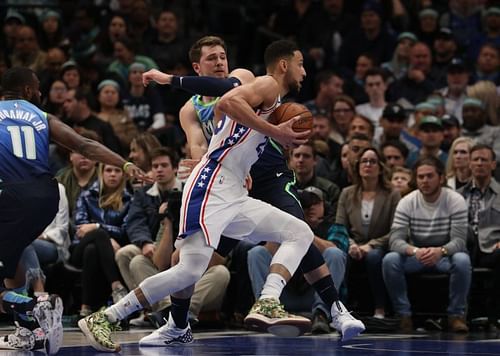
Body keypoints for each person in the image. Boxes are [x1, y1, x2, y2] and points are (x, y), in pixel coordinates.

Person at [78, 39, 364, 353]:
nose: (305, 71)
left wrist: (245, 160)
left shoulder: (261, 95)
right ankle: (110, 317)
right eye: (300, 64)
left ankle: (266, 301)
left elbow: (225, 117)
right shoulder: (265, 84)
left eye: (223, 56)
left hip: (232, 188)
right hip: (212, 185)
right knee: (189, 268)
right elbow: (227, 105)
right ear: (285, 65)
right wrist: (275, 132)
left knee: (297, 231)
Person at [153, 35, 362, 342]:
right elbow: (197, 147)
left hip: (268, 173)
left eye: (223, 55)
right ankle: (177, 324)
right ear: (197, 66)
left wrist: (170, 79)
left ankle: (335, 310)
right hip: (229, 184)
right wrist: (207, 167)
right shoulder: (190, 110)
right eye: (212, 58)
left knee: (298, 232)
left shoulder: (245, 78)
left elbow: (227, 94)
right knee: (185, 259)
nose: (220, 62)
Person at [0, 67, 148, 353]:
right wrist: (125, 164)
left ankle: (38, 305)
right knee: (13, 262)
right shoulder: (43, 117)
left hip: (9, 194)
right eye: (39, 87)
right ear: (28, 91)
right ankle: (31, 332)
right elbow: (85, 145)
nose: (41, 93)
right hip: (45, 196)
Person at [382, 156, 471, 333]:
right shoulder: (407, 201)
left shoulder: (455, 200)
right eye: (421, 177)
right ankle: (403, 315)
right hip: (418, 255)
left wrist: (441, 251)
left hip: (445, 255)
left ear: (441, 178)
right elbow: (395, 240)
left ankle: (456, 315)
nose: (425, 181)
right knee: (390, 259)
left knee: (462, 260)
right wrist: (414, 251)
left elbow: (460, 241)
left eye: (430, 176)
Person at [336, 148, 400, 319]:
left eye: (373, 161)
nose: (368, 165)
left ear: (380, 167)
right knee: (339, 255)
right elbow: (340, 227)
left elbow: (396, 230)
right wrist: (351, 244)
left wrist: (370, 245)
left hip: (380, 244)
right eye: (364, 161)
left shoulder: (392, 194)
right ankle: (339, 307)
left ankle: (380, 308)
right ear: (358, 166)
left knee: (374, 257)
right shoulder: (347, 193)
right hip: (353, 244)